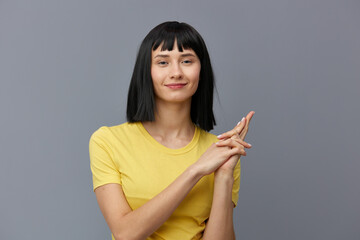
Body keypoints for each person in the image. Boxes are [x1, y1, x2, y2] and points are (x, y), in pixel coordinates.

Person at [89, 21, 254, 240]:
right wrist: (195, 171)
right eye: (163, 62)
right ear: (146, 71)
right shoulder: (107, 141)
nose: (176, 72)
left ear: (201, 70)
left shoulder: (221, 151)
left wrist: (224, 175)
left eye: (187, 61)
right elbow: (125, 233)